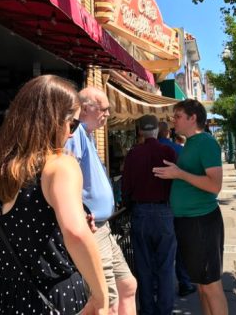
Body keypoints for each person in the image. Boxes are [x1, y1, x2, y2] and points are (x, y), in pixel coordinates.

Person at [0, 75, 108, 314]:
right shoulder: (59, 166)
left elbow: (19, 230)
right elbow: (76, 234)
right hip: (51, 296)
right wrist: (101, 298)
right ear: (53, 121)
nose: (71, 134)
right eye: (73, 124)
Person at [66, 87, 137, 315]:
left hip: (104, 228)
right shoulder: (75, 134)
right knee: (106, 301)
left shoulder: (87, 135)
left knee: (128, 285)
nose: (107, 114)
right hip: (92, 229)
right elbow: (67, 177)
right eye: (104, 109)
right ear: (86, 109)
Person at [153, 99, 227, 315]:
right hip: (190, 222)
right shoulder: (192, 143)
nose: (173, 120)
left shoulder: (205, 142)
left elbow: (215, 185)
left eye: (177, 116)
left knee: (211, 285)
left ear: (192, 118)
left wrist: (179, 174)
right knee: (201, 285)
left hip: (201, 222)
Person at [121, 115, 178, 313]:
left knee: (143, 267)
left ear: (140, 132)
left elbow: (125, 186)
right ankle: (165, 309)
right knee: (165, 266)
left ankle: (147, 309)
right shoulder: (168, 151)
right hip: (164, 211)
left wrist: (127, 203)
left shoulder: (133, 154)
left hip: (141, 213)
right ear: (157, 130)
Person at [156, 121, 196, 297]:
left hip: (150, 208)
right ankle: (184, 282)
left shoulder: (138, 150)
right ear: (166, 133)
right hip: (176, 205)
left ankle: (158, 286)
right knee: (179, 247)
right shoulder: (179, 150)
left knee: (158, 250)